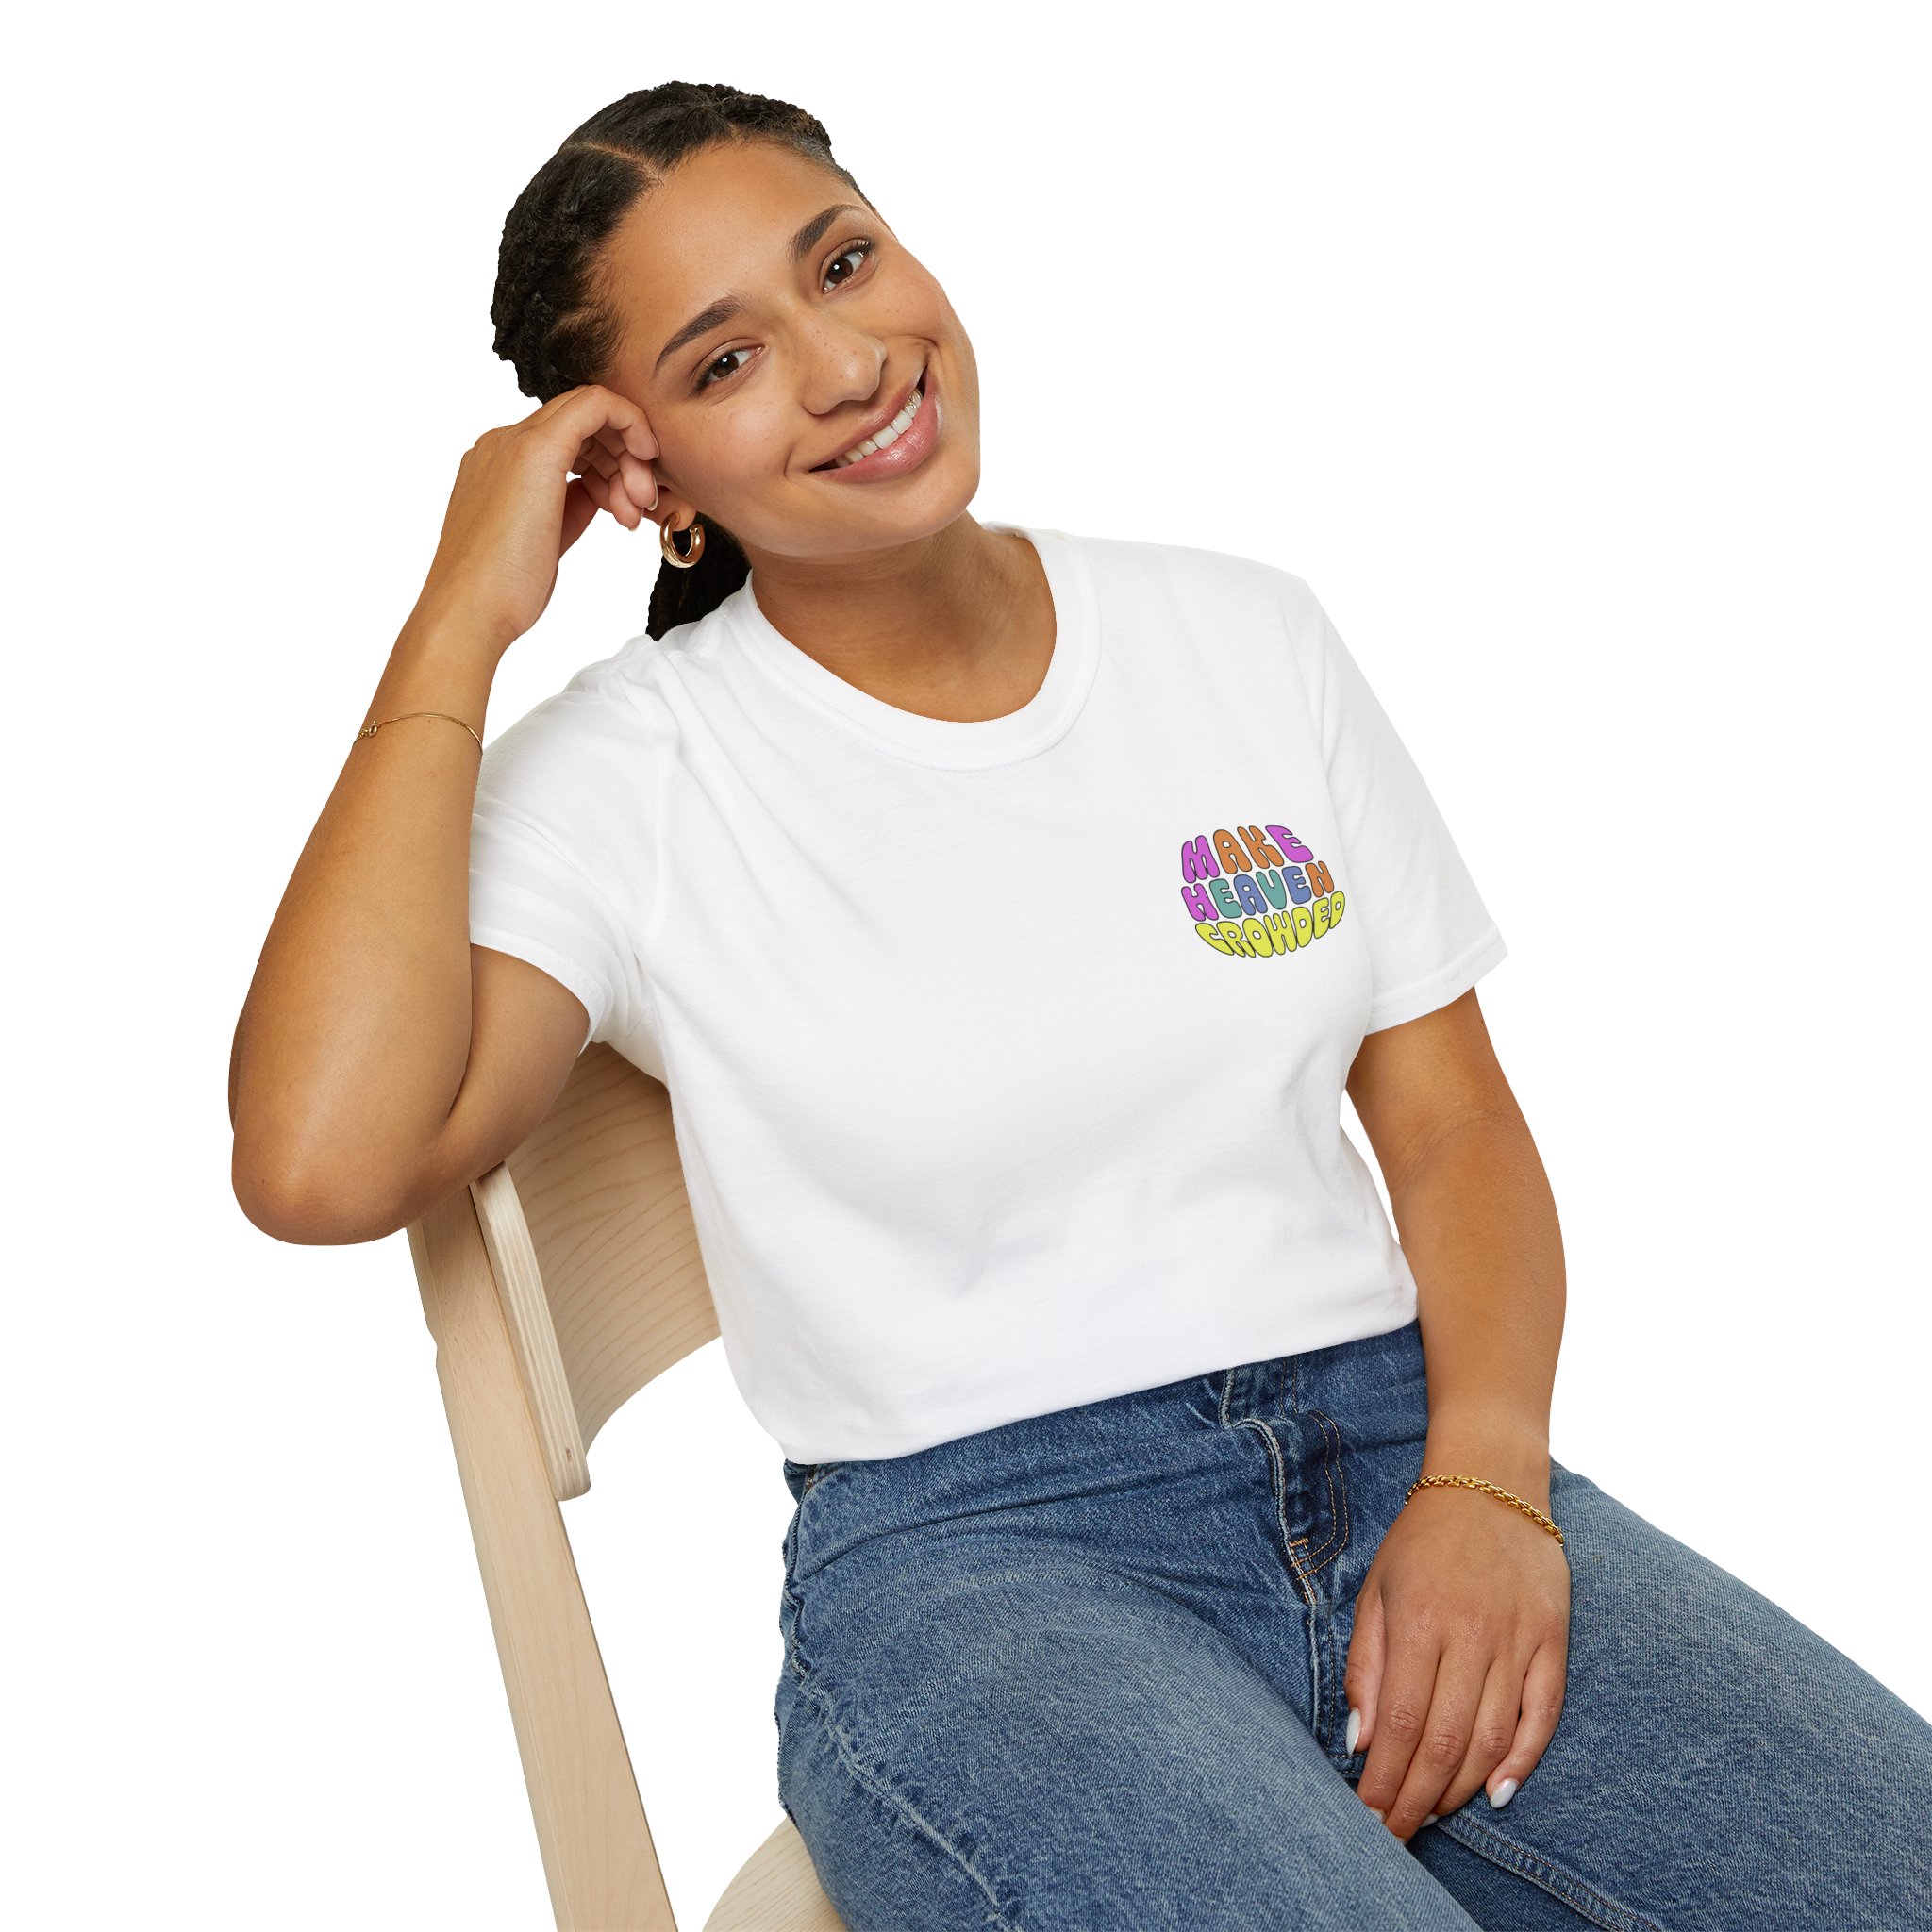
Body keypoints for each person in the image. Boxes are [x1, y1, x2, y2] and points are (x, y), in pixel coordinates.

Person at [228, 80, 1932, 1931]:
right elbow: (320, 1161)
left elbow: (1451, 1128)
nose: (847, 364)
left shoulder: (1245, 635)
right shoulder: (633, 776)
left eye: (843, 264)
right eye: (726, 361)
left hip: (1405, 1451)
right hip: (983, 1570)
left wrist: (1490, 1485)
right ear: (649, 481)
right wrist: (458, 617)